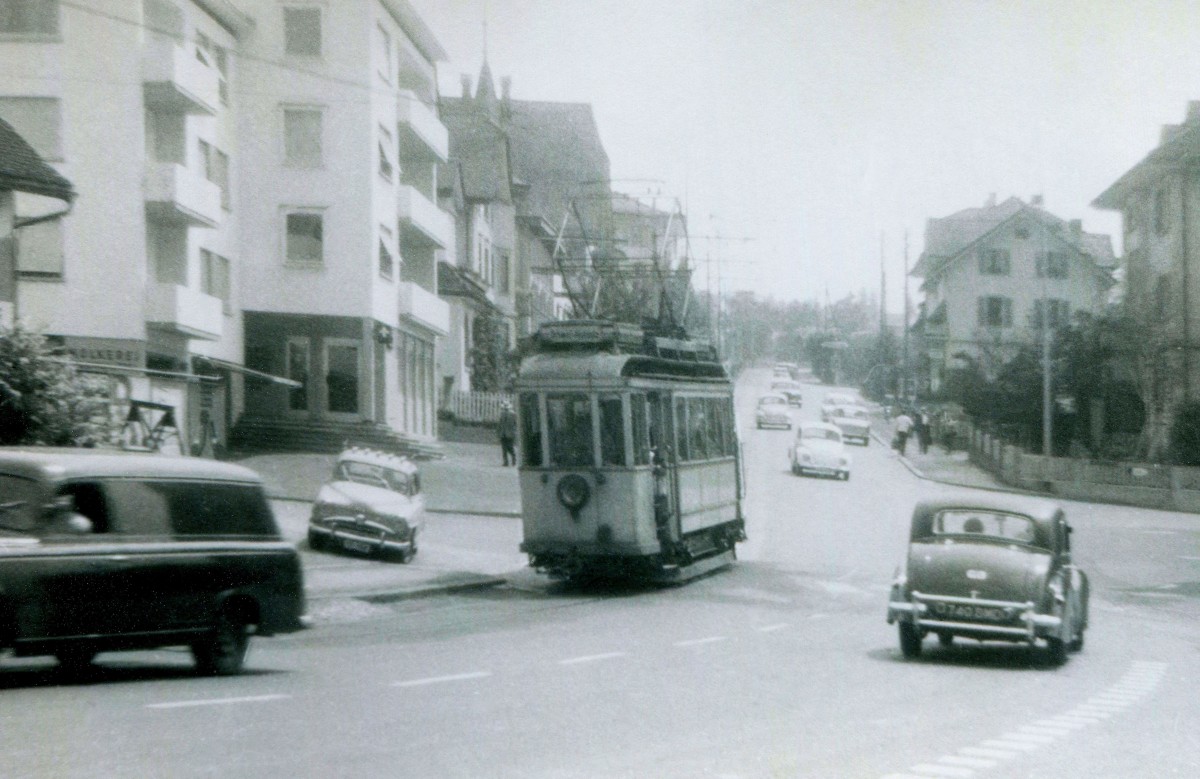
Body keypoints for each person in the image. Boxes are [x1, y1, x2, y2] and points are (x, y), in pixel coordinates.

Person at [498, 400, 517, 466]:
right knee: (504, 449)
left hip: (509, 434)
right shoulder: (502, 414)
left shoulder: (513, 414)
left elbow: (515, 424)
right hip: (504, 433)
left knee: (509, 447)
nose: (505, 409)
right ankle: (506, 462)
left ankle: (513, 458)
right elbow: (500, 424)